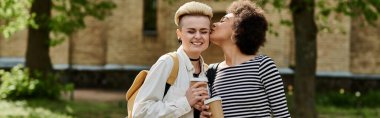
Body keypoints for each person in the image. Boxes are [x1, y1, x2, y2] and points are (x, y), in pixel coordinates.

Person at [201, 0, 291, 117]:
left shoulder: (263, 65)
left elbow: (282, 115)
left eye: (223, 20)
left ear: (238, 29)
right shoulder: (212, 72)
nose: (214, 24)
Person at [132, 1, 213, 118]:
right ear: (179, 34)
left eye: (204, 31)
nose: (198, 36)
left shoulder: (207, 71)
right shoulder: (167, 63)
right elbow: (140, 112)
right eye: (191, 31)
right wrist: (185, 102)